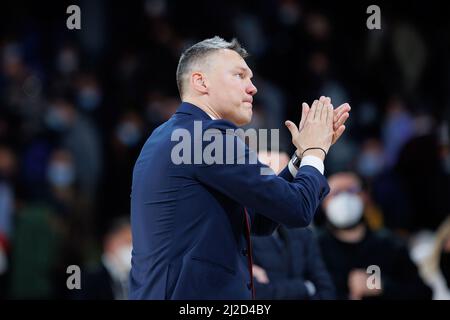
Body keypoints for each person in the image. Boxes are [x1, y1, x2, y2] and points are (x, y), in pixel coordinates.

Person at [130, 36, 350, 299]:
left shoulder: (173, 135)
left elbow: (259, 220)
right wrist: (316, 153)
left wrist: (301, 157)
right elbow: (298, 209)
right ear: (201, 82)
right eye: (240, 75)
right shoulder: (204, 137)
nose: (253, 88)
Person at [318, 172, 432, 300]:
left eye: (352, 190)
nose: (344, 198)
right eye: (336, 193)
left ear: (366, 196)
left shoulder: (390, 245)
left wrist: (382, 286)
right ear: (323, 200)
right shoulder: (312, 247)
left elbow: (423, 292)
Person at [252, 151, 336, 300]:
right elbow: (256, 293)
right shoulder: (242, 231)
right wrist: (305, 287)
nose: (281, 179)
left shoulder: (303, 233)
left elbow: (326, 288)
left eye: (288, 172)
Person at [73, 217, 132, 300]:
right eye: (127, 241)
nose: (132, 247)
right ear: (109, 242)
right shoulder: (87, 277)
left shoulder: (138, 279)